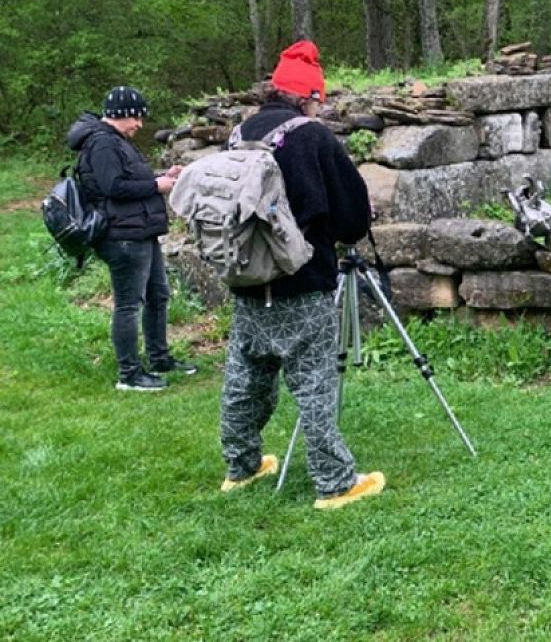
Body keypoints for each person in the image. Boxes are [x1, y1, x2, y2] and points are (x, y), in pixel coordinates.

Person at [215, 40, 385, 510]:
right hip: (302, 282)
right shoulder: (313, 137)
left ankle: (241, 467)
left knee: (244, 381)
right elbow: (352, 219)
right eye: (319, 97)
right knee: (315, 385)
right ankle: (335, 483)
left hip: (247, 278)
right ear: (308, 95)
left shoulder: (240, 133)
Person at [68, 86, 197, 392]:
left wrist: (164, 174)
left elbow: (130, 177)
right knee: (129, 304)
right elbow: (114, 187)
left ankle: (159, 357)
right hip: (121, 236)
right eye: (136, 117)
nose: (140, 124)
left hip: (141, 231)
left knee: (158, 296)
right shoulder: (102, 144)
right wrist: (157, 185)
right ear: (120, 114)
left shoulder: (117, 142)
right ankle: (129, 373)